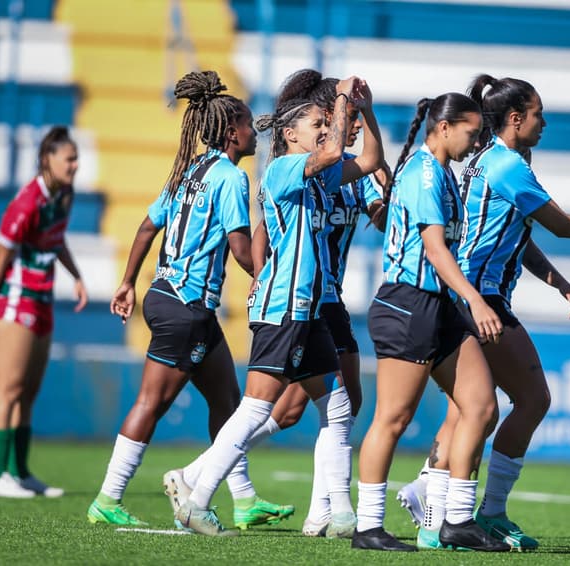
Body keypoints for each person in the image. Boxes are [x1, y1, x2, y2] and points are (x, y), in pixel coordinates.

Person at [394, 74, 570, 551]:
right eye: (538, 113)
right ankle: (485, 511)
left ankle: (432, 508)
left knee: (468, 410)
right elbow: (563, 226)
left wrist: (557, 280)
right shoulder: (507, 166)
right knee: (532, 399)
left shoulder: (485, 159)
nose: (544, 122)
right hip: (481, 299)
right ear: (516, 118)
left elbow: (517, 237)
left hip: (463, 295)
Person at [173, 69, 386, 538]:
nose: (326, 130)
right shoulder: (286, 169)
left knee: (336, 408)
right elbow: (335, 151)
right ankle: (197, 496)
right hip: (284, 307)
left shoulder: (317, 174)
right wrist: (344, 101)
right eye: (317, 123)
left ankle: (339, 515)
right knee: (255, 408)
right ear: (291, 134)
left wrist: (364, 110)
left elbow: (370, 159)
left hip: (307, 308)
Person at [87, 70, 291, 529]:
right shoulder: (230, 179)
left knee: (228, 403)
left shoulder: (188, 171)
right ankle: (108, 496)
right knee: (151, 403)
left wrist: (127, 283)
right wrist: (270, 275)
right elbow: (241, 249)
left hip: (168, 295)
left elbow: (145, 227)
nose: (251, 130)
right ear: (229, 132)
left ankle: (243, 499)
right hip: (187, 305)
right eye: (244, 123)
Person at [351, 93, 509, 553]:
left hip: (438, 308)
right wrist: (476, 301)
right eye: (471, 132)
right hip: (409, 304)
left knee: (481, 407)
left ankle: (457, 520)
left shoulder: (441, 173)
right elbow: (436, 250)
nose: (475, 140)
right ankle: (368, 527)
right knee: (392, 419)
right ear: (443, 128)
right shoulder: (424, 173)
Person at [0, 126, 87, 498]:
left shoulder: (64, 196)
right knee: (8, 389)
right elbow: (0, 260)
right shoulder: (25, 203)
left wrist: (75, 275)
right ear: (48, 159)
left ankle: (20, 472)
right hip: (16, 302)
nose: (75, 166)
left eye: (77, 159)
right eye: (69, 159)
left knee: (28, 392)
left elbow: (56, 241)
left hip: (42, 302)